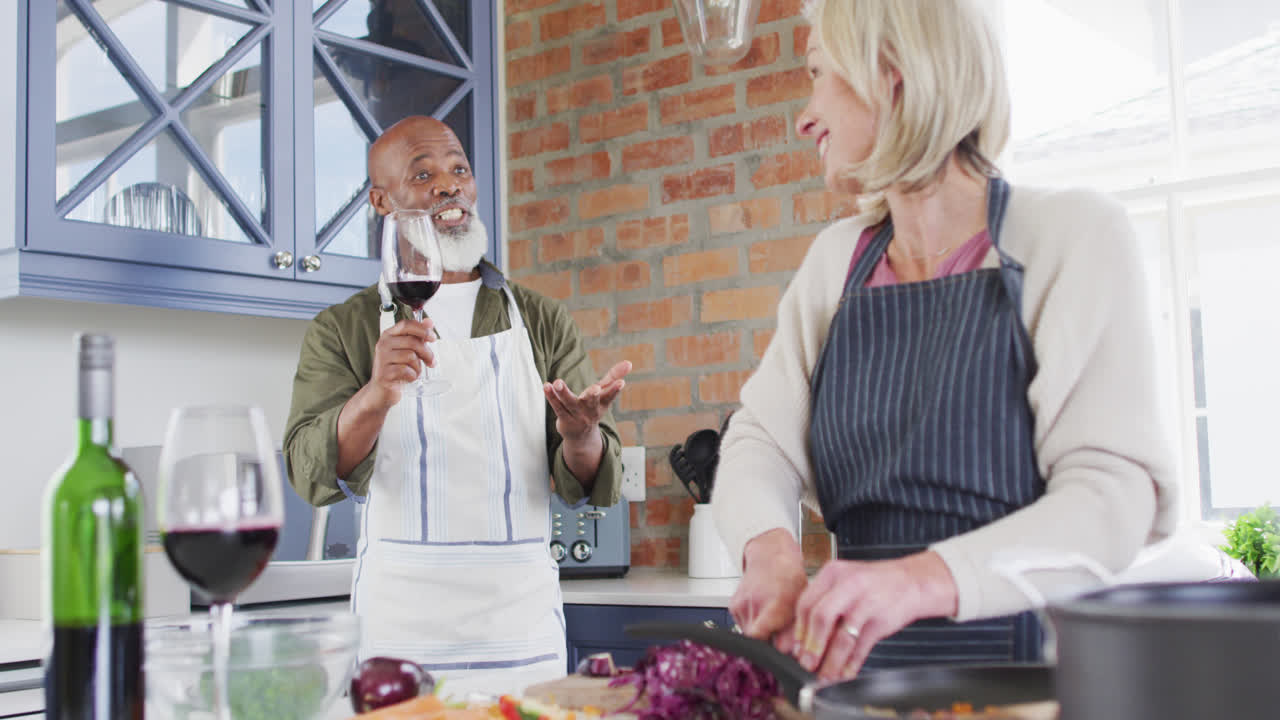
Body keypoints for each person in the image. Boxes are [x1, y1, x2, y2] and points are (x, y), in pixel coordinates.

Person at [710, 0, 1178, 683]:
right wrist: (770, 549)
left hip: (1038, 683)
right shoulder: (835, 263)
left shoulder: (1072, 236)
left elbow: (1113, 501)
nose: (805, 116)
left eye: (819, 75)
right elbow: (760, 443)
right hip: (857, 687)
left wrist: (917, 581)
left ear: (891, 73)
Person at [284, 116, 630, 697]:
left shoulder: (540, 320)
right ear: (381, 200)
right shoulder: (341, 329)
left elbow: (593, 480)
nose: (450, 186)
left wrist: (580, 437)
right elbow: (307, 469)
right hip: (401, 641)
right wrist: (375, 396)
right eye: (424, 174)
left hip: (520, 634)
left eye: (459, 169)